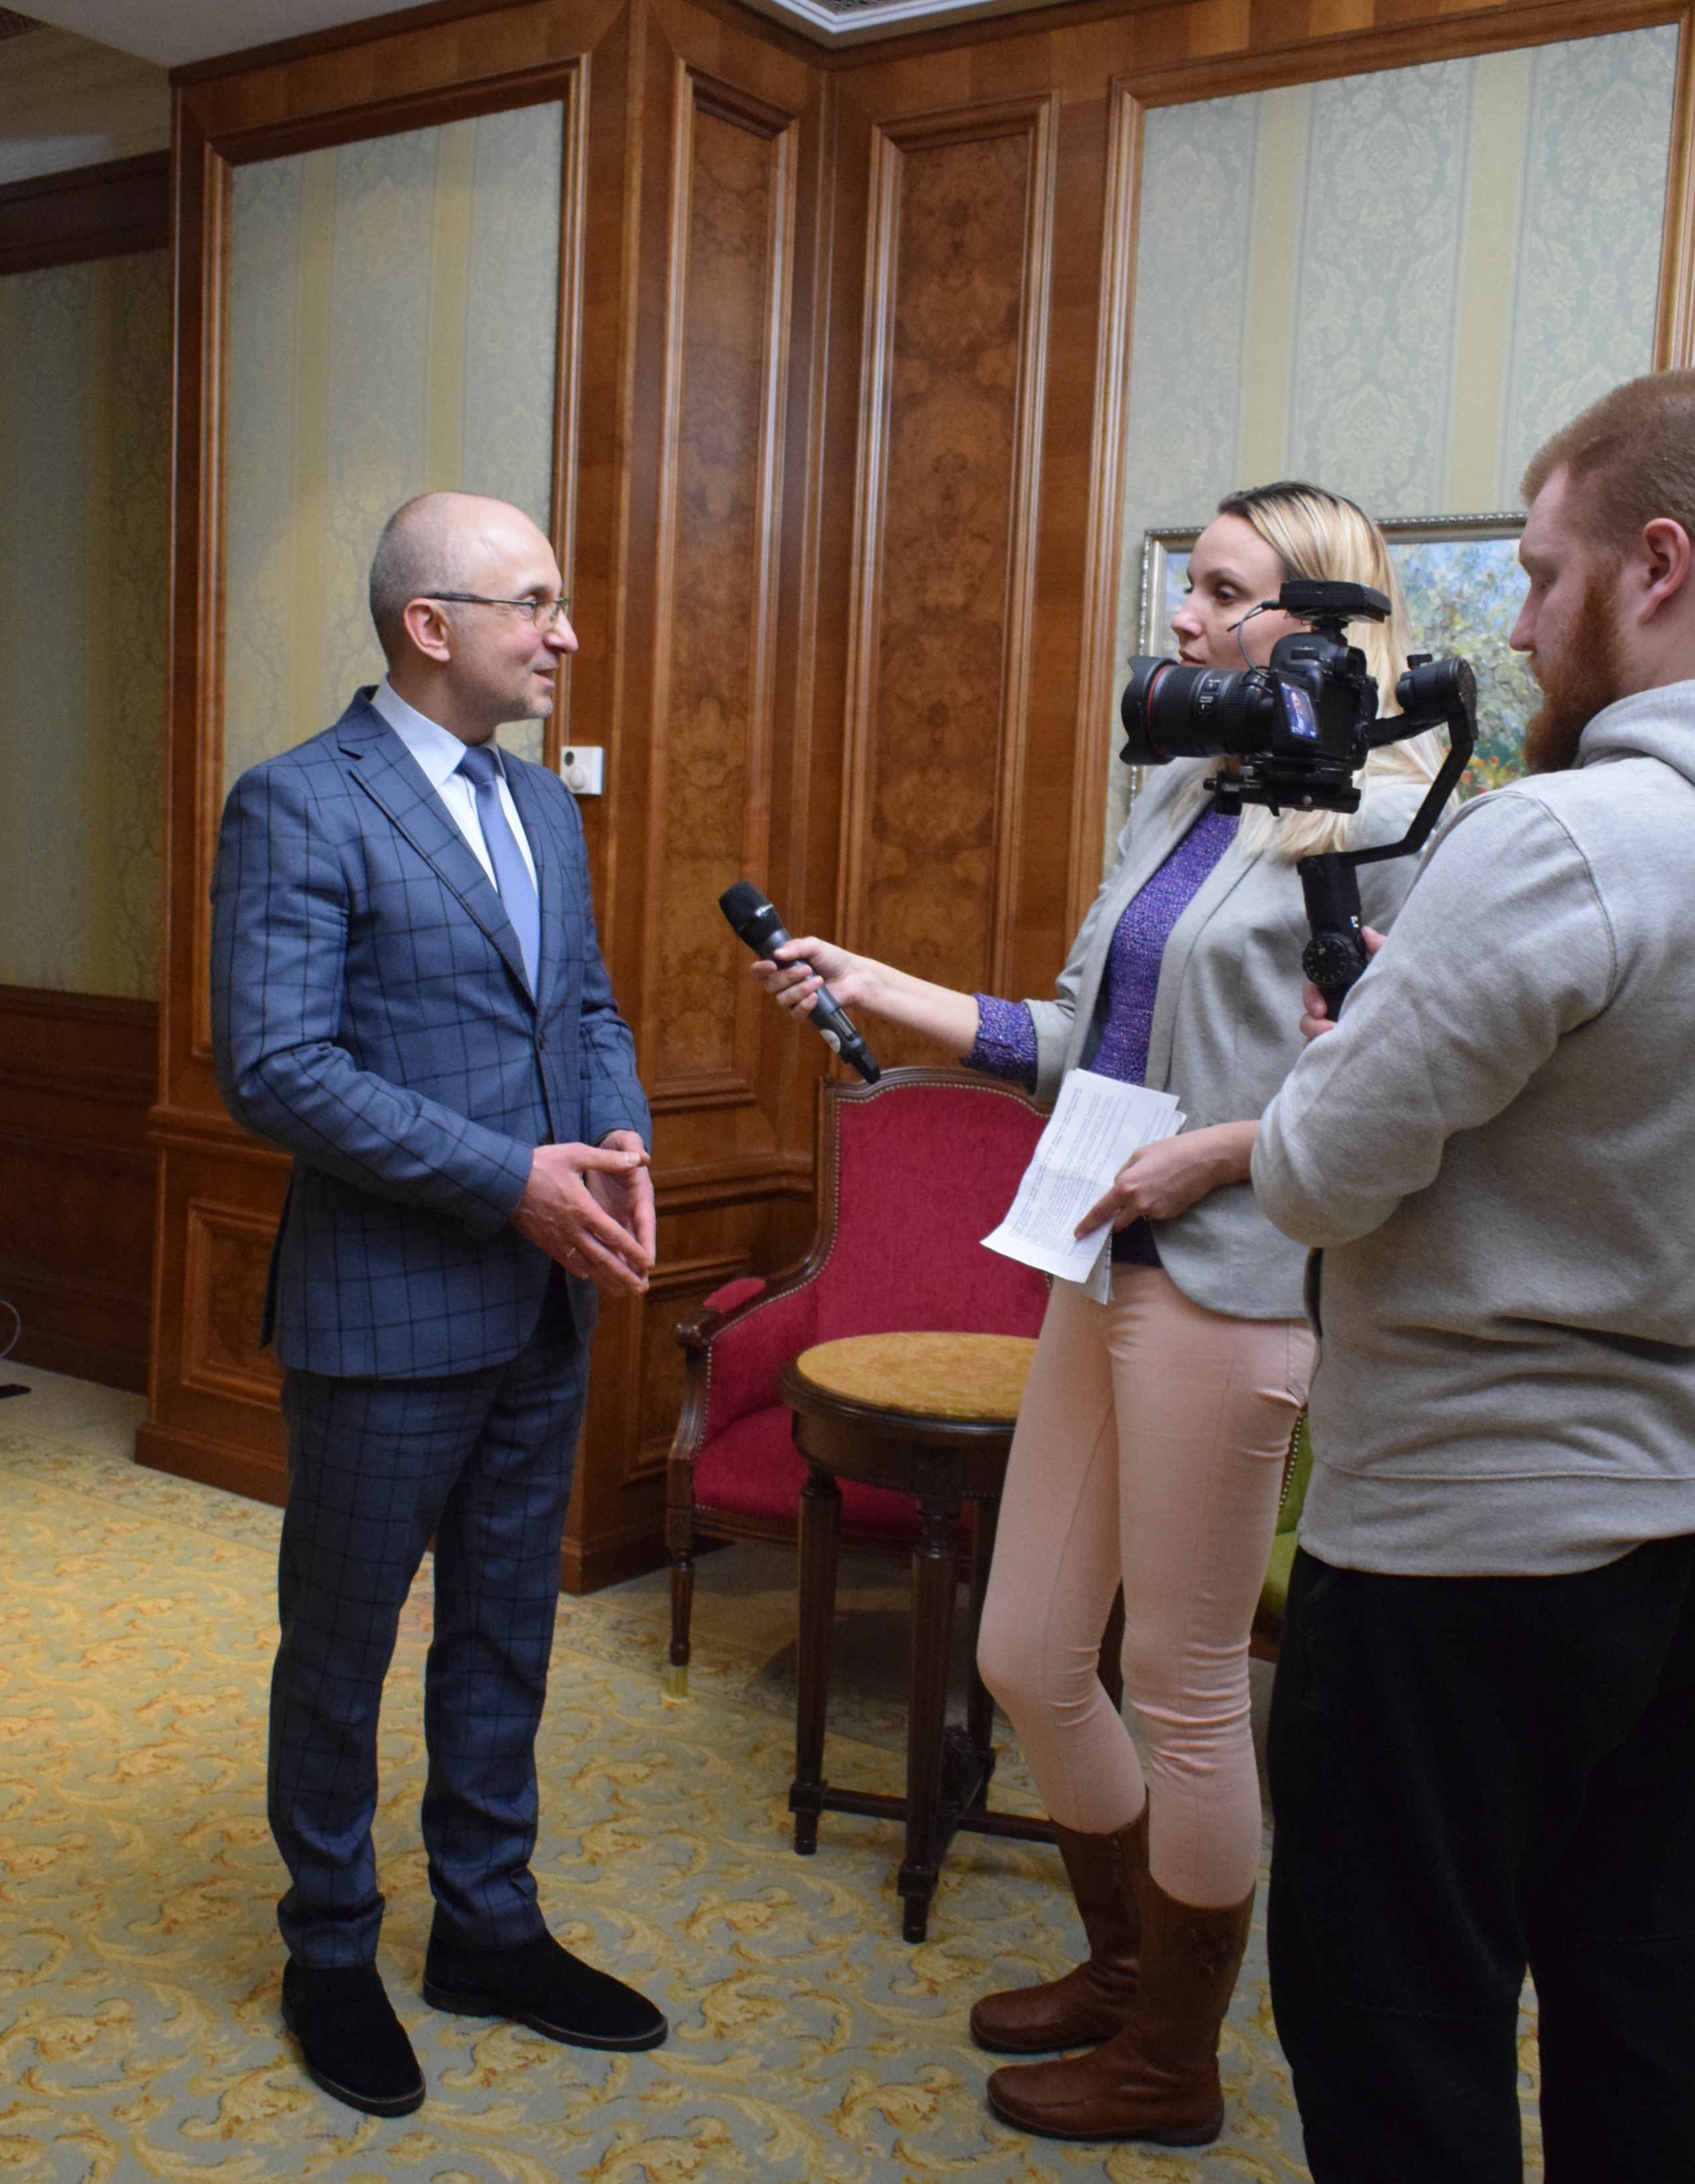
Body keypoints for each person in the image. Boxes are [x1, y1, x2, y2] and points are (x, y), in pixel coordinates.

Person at [753, 483, 1442, 2146]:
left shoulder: (1394, 819)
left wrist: (1222, 1151)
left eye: (1221, 590)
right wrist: (875, 984)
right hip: (1100, 1257)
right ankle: (1128, 1964)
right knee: (1028, 1649)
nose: (1184, 619)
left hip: (1235, 1277)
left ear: (1320, 619)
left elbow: (1405, 1098)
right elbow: (1074, 1039)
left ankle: (1172, 2059)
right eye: (1185, 586)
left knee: (1181, 1682)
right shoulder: (1187, 790)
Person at [1253, 373, 1695, 2184]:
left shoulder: (1559, 840)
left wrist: (1331, 1067)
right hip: (1673, 1539)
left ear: (1656, 566)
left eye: (1535, 574)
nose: (1510, 627)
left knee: (1400, 2028)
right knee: (1644, 2014)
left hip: (1460, 1551)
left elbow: (1311, 1171)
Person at [211, 491, 666, 2119]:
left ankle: (486, 1924)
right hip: (385, 1313)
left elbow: (586, 1010)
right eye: (534, 604)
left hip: (543, 1308)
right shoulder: (299, 804)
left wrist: (617, 1141)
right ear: (431, 626)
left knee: (503, 1631)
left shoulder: (541, 806)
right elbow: (277, 1067)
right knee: (340, 1651)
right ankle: (331, 1944)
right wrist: (507, 1180)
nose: (563, 635)